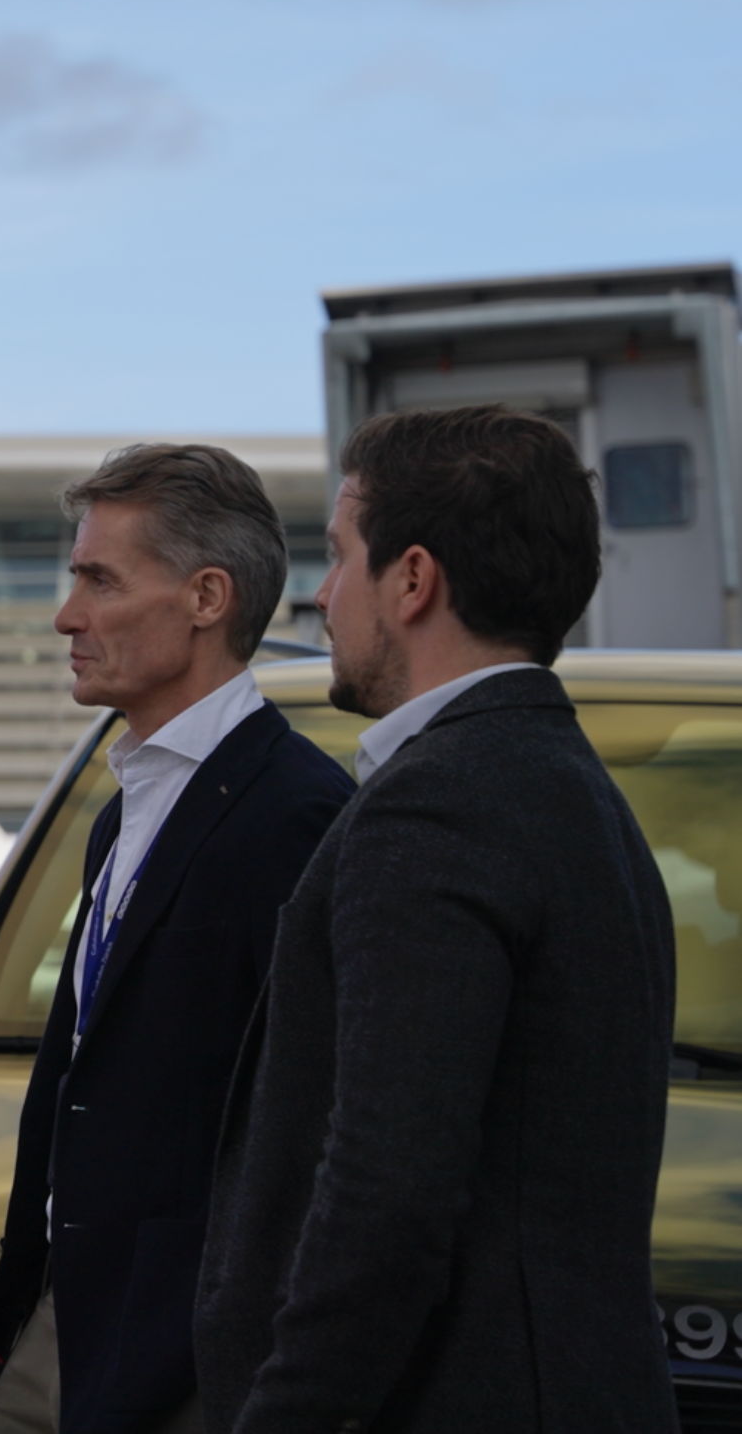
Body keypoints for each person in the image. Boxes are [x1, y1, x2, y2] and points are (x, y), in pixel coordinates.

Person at [194, 404, 678, 1434]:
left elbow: (387, 1197)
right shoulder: (574, 791)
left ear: (412, 580)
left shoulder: (440, 801)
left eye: (337, 557)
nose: (323, 596)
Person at [0, 444, 354, 1434]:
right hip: (69, 1324)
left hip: (190, 1356)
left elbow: (313, 1126)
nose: (66, 614)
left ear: (207, 596)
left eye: (99, 579)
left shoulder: (296, 815)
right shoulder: (124, 811)